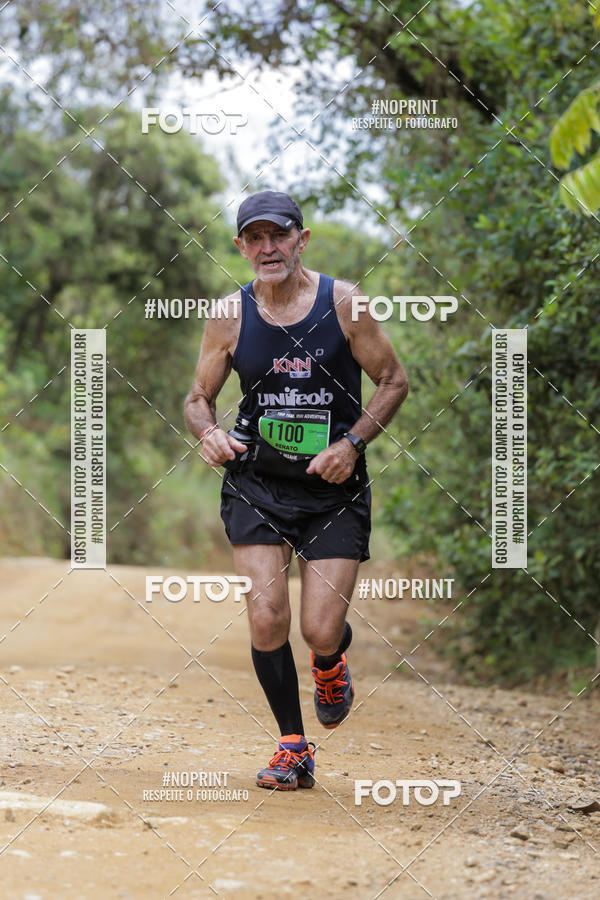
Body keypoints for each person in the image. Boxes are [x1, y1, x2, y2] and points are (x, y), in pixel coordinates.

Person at [184, 190, 408, 790]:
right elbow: (198, 399)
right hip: (256, 484)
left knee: (318, 629)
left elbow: (392, 380)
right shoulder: (229, 314)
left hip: (331, 490)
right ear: (241, 247)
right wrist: (207, 434)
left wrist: (352, 444)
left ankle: (331, 661)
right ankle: (292, 746)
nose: (267, 248)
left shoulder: (344, 304)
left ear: (301, 240)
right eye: (254, 238)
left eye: (277, 235)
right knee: (265, 617)